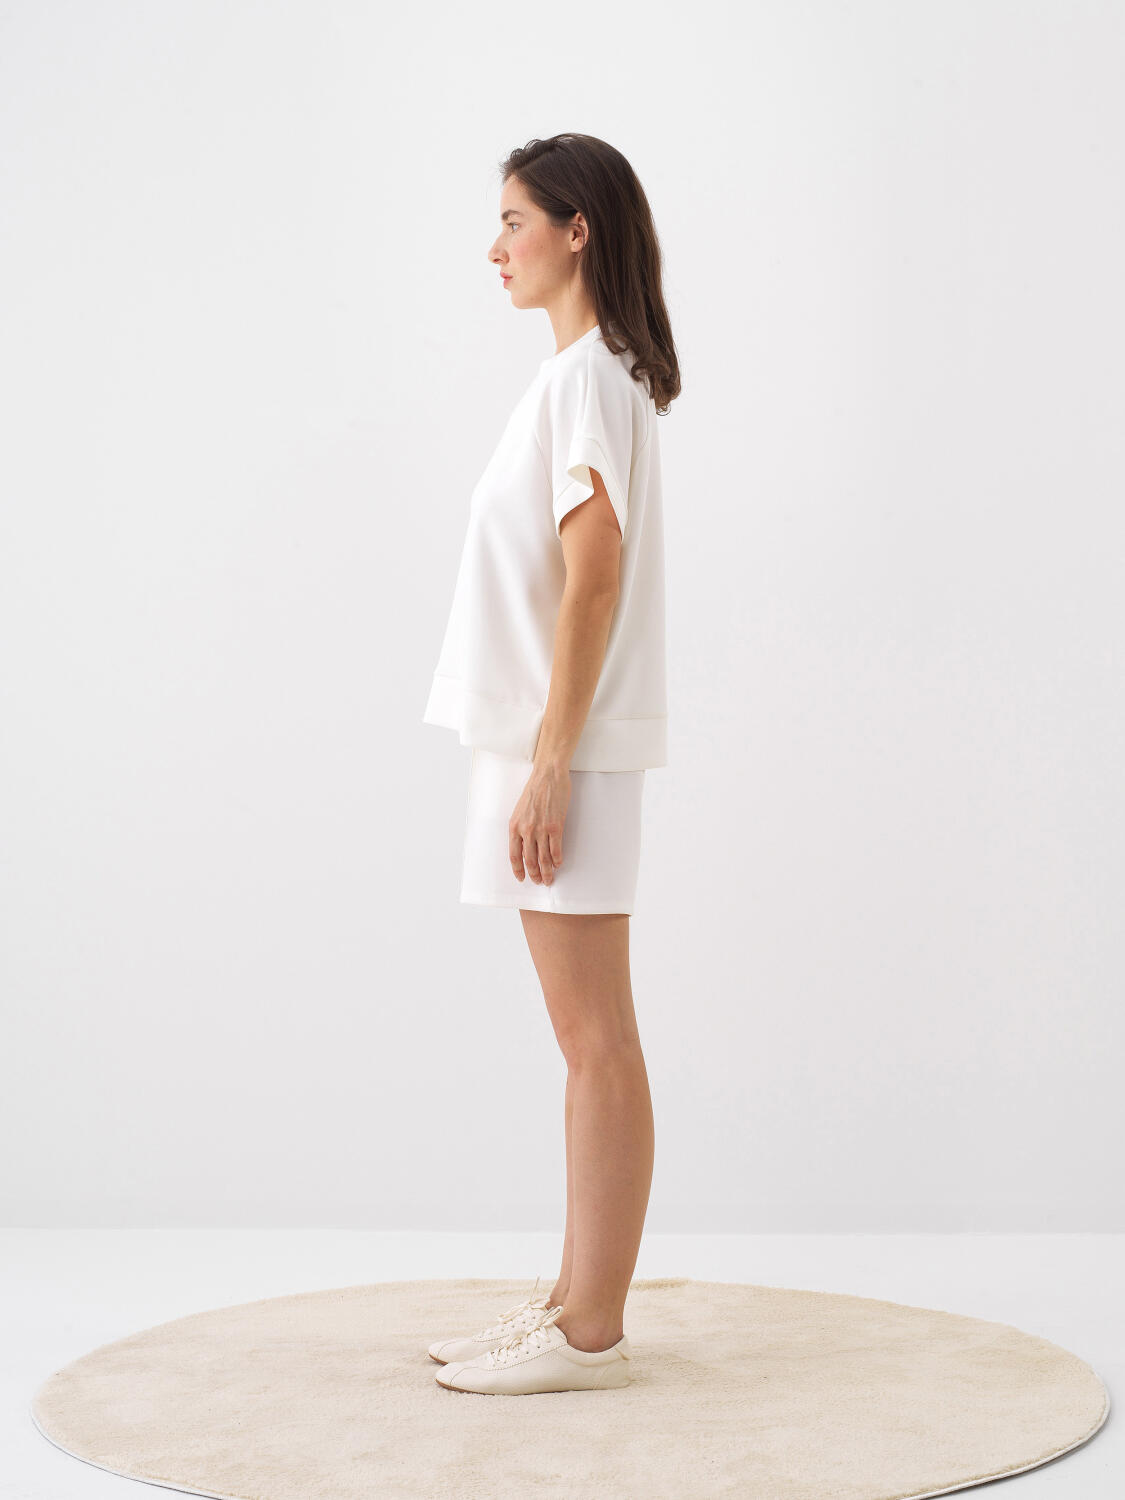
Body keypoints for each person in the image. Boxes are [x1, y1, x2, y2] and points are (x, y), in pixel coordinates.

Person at [421, 133, 680, 1395]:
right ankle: (574, 1304)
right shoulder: (585, 378)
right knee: (585, 1039)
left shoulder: (587, 380)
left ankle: (591, 1336)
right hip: (546, 743)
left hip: (559, 749)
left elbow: (596, 575)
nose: (496, 247)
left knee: (595, 1040)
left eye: (514, 220)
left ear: (579, 230)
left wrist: (551, 761)